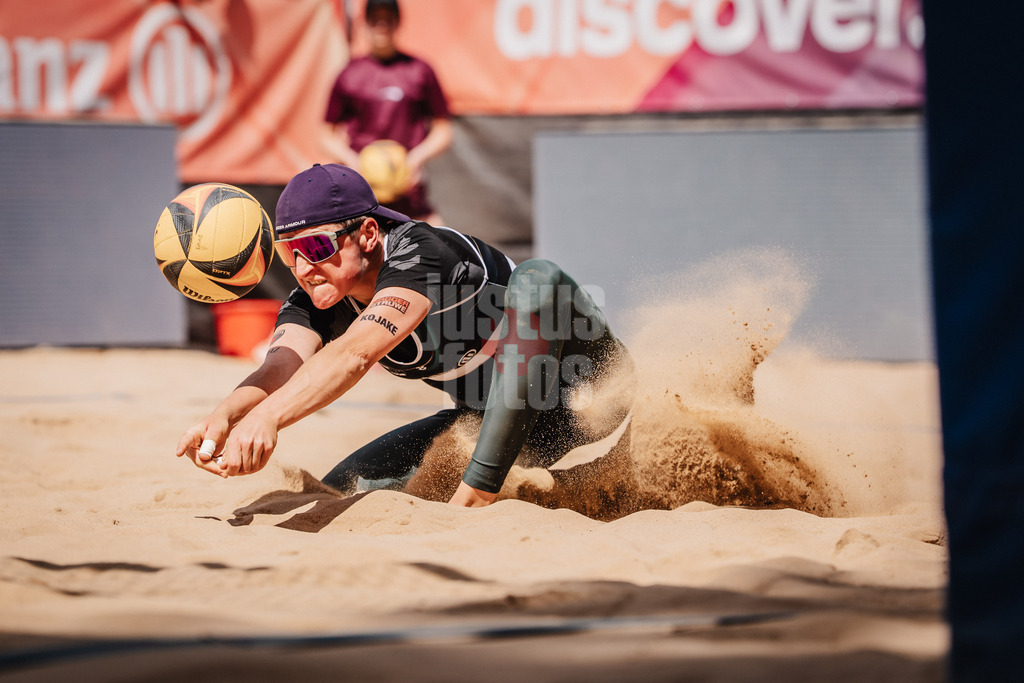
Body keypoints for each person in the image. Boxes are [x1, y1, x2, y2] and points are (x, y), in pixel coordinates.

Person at [176, 163, 633, 507]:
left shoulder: (420, 252)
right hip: (509, 426)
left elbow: (356, 352)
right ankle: (487, 483)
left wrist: (269, 418)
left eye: (315, 247)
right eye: (289, 252)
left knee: (538, 278)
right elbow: (279, 367)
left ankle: (476, 495)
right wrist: (225, 416)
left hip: (595, 399)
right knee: (335, 492)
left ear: (369, 233)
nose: (303, 267)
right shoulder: (316, 297)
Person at [325, 0, 452, 224]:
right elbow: (324, 134)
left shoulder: (420, 71)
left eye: (387, 19)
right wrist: (353, 162)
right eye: (375, 20)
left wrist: (416, 158)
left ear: (397, 22)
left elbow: (444, 131)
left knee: (445, 248)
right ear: (365, 24)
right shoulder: (349, 74)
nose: (382, 25)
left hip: (410, 195)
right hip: (362, 198)